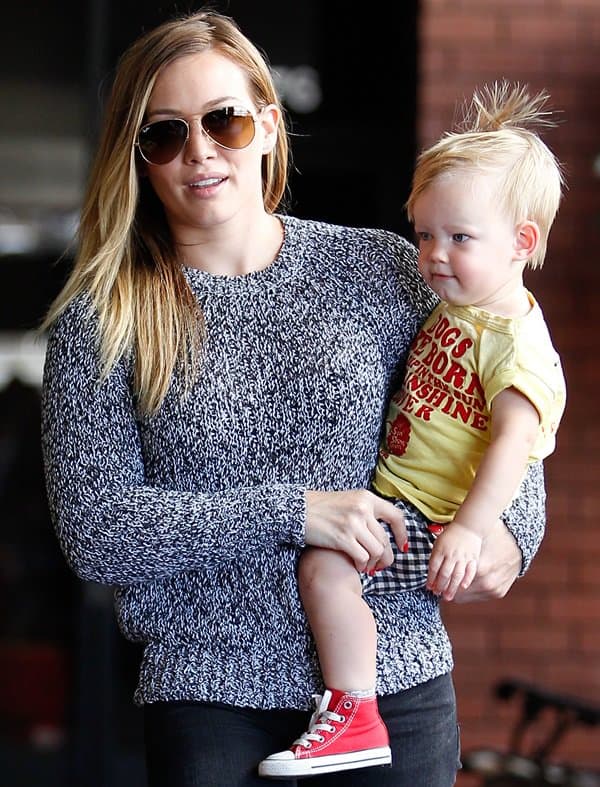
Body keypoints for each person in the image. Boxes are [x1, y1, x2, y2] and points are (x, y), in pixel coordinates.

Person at [39, 8, 547, 786]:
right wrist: (295, 509)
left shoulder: (388, 271)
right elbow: (96, 530)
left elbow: (501, 405)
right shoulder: (104, 318)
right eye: (165, 134)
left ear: (270, 126)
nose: (200, 152)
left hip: (394, 685)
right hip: (210, 699)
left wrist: (510, 532)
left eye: (225, 121)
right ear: (140, 159)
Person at [259, 81, 566, 779]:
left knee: (325, 565)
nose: (433, 253)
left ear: (522, 242)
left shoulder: (517, 342)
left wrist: (472, 528)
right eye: (425, 233)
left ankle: (354, 711)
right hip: (405, 499)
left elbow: (516, 444)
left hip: (430, 519)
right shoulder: (459, 309)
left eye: (459, 237)